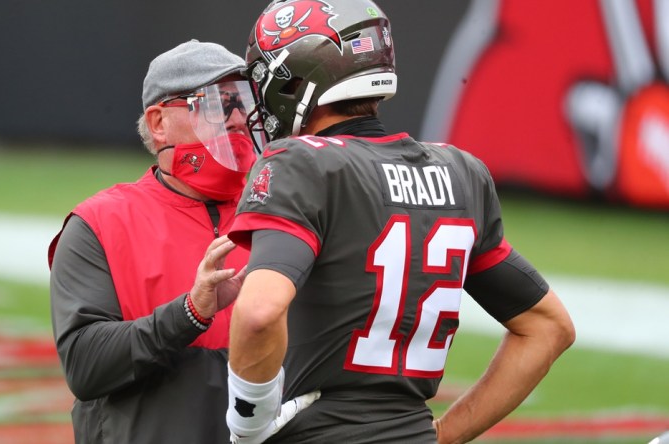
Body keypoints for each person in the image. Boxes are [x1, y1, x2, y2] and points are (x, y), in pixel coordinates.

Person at [224, 1, 576, 443]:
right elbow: (548, 327)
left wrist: (247, 425)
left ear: (297, 79)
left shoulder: (300, 164)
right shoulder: (460, 171)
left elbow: (259, 312)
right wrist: (444, 434)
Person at [48, 40, 314, 444]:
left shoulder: (284, 213)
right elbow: (86, 368)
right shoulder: (98, 222)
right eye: (216, 103)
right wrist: (190, 313)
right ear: (158, 123)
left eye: (242, 101)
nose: (238, 118)